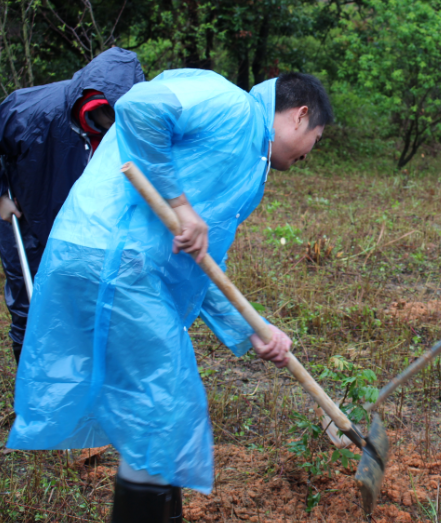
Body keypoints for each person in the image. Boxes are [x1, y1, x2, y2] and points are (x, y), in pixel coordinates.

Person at [7, 70, 332, 522]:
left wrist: (251, 330)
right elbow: (140, 107)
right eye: (315, 138)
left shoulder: (246, 164)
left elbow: (200, 264)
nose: (308, 154)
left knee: (155, 411)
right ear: (300, 116)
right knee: (161, 408)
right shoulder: (230, 103)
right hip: (116, 258)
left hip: (123, 264)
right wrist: (181, 206)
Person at [0, 47, 145, 365]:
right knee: (30, 303)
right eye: (114, 115)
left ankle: (74, 378)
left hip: (80, 230)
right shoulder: (29, 109)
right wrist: (1, 196)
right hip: (26, 218)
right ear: (98, 100)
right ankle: (32, 388)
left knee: (79, 302)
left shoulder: (126, 129)